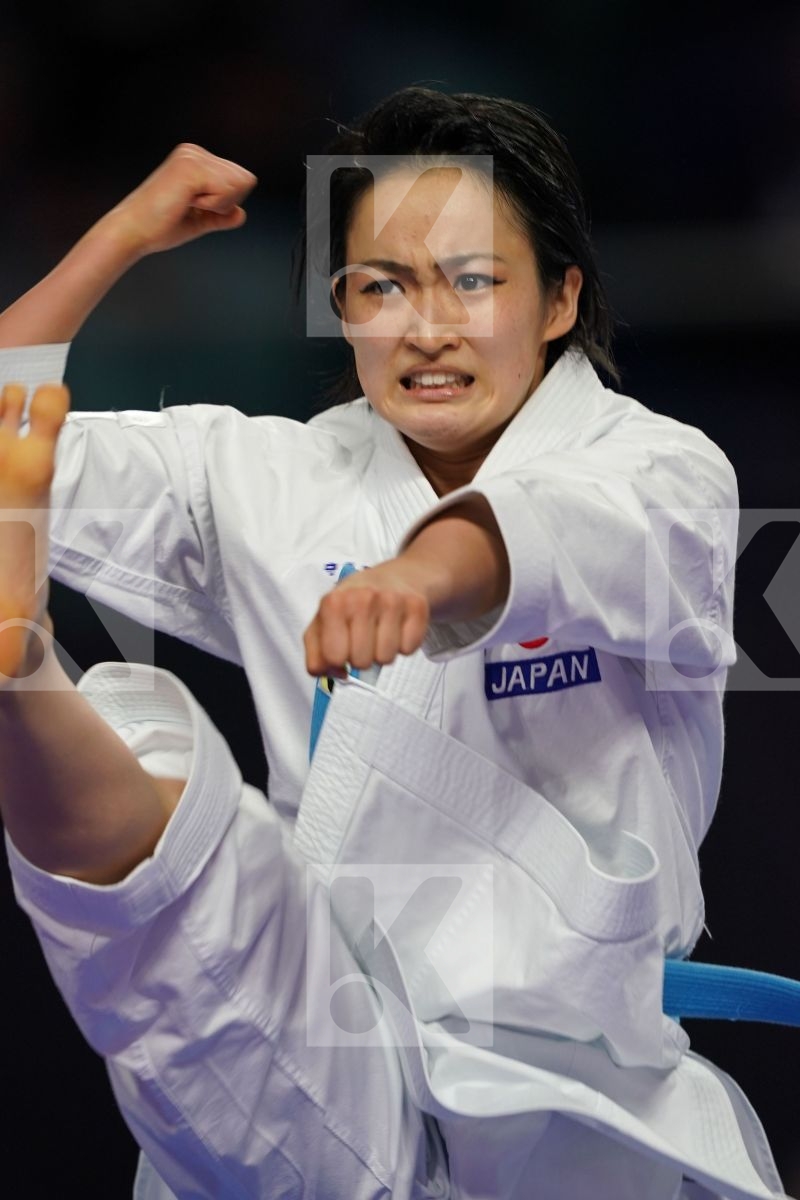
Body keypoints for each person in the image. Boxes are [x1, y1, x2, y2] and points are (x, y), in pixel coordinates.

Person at [0, 88, 788, 1199]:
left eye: (472, 281)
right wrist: (117, 237)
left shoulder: (660, 469)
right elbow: (2, 429)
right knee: (162, 822)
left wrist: (424, 576)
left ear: (560, 297)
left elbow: (568, 535)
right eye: (382, 287)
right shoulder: (269, 479)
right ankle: (19, 673)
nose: (425, 327)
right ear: (343, 308)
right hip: (316, 1037)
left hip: (569, 1088)